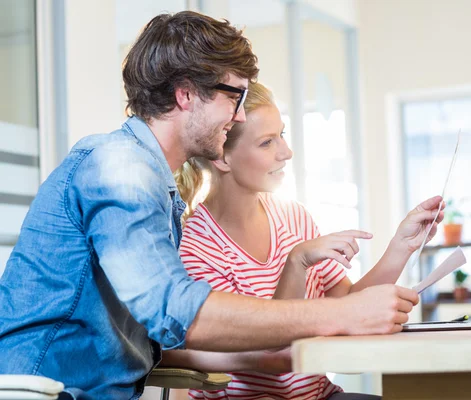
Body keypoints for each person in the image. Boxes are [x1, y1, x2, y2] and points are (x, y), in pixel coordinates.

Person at [0, 11, 421, 399]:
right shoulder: (119, 168)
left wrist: (271, 353)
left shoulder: (156, 189)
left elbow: (164, 339)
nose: (239, 116)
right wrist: (340, 314)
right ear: (186, 95)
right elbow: (179, 312)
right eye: (233, 96)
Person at [174, 82, 445, 400]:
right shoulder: (196, 249)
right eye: (266, 143)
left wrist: (403, 245)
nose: (286, 153)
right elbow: (272, 349)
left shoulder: (294, 216)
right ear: (221, 156)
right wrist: (296, 262)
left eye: (282, 135)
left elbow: (347, 304)